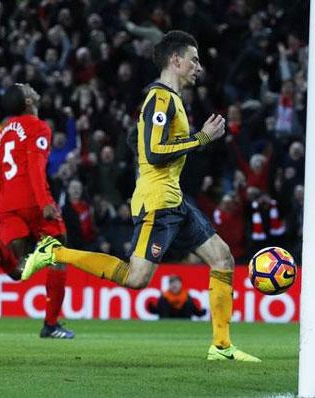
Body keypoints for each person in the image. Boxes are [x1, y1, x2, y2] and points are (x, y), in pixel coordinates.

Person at [23, 31, 260, 362]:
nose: (198, 67)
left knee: (222, 258)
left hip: (175, 200)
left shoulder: (172, 100)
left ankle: (221, 346)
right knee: (135, 279)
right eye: (193, 60)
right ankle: (55, 252)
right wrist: (202, 137)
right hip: (157, 202)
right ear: (175, 61)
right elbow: (155, 151)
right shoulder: (160, 99)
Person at [0, 83, 73, 339]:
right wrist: (44, 204)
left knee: (20, 270)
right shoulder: (39, 127)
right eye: (26, 87)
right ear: (29, 101)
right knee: (59, 256)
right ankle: (51, 324)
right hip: (32, 201)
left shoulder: (4, 131)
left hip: (6, 207)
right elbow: (35, 167)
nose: (30, 86)